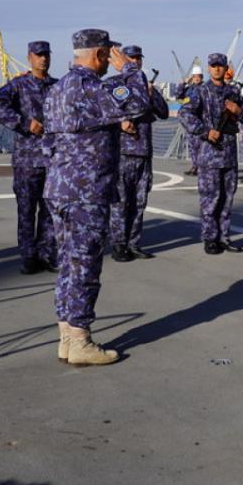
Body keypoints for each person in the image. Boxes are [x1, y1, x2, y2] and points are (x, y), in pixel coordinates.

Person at [44, 29, 150, 365]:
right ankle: (80, 340)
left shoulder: (57, 88)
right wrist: (130, 71)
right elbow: (137, 104)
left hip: (60, 187)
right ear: (101, 54)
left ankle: (66, 335)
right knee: (85, 264)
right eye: (108, 56)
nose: (110, 62)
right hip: (86, 191)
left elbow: (48, 140)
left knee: (68, 264)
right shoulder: (92, 87)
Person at [0, 41, 58, 275]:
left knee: (50, 211)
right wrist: (24, 124)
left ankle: (47, 254)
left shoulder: (57, 87)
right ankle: (29, 257)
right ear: (29, 57)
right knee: (26, 211)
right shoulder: (18, 85)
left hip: (53, 159)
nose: (43, 59)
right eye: (39, 55)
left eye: (46, 55)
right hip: (27, 160)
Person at [179, 53, 243, 254]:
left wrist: (238, 110)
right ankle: (210, 238)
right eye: (214, 66)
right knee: (210, 199)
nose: (217, 69)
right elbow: (184, 113)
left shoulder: (233, 91)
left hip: (229, 155)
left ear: (226, 68)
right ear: (209, 68)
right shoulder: (200, 91)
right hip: (209, 154)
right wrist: (205, 131)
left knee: (227, 199)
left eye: (221, 66)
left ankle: (224, 237)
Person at [110, 45, 170, 261]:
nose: (135, 62)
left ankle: (134, 243)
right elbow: (103, 113)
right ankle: (118, 244)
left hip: (144, 153)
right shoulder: (115, 85)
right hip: (123, 153)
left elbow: (163, 113)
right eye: (131, 58)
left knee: (140, 202)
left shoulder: (146, 85)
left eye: (138, 59)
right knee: (121, 202)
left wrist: (153, 96)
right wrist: (120, 123)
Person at [175, 66, 204, 176]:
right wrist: (183, 83)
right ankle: (194, 166)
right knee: (192, 146)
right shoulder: (189, 89)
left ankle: (200, 167)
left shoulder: (203, 89)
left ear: (202, 77)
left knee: (199, 146)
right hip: (190, 124)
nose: (197, 78)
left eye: (199, 76)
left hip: (197, 121)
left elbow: (195, 104)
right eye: (195, 76)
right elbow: (178, 95)